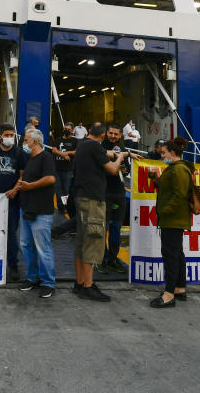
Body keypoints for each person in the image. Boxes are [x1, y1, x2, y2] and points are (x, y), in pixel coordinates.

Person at [72, 121, 127, 302]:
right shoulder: (95, 147)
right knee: (92, 243)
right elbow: (112, 169)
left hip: (81, 198)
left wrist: (116, 153)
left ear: (89, 131)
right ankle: (88, 286)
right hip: (93, 201)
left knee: (81, 243)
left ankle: (79, 282)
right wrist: (119, 159)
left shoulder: (83, 145)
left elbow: (106, 153)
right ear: (103, 135)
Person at [150, 136, 195, 308]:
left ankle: (169, 294)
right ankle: (179, 288)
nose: (162, 156)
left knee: (170, 255)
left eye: (164, 153)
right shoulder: (176, 168)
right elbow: (170, 188)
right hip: (173, 219)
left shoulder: (179, 170)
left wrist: (163, 211)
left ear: (173, 153)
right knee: (177, 254)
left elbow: (179, 195)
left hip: (173, 219)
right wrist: (156, 179)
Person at [0, 124, 27, 280]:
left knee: (11, 234)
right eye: (7, 134)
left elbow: (23, 175)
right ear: (0, 136)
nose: (10, 137)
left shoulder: (19, 153)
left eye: (11, 134)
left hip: (13, 200)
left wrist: (15, 189)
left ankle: (13, 264)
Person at [16, 128, 57, 298]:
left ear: (34, 141)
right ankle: (32, 277)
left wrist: (30, 186)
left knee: (42, 247)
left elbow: (51, 178)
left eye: (26, 140)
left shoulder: (45, 157)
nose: (24, 143)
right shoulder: (30, 158)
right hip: (27, 209)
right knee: (26, 245)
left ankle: (48, 282)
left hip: (41, 211)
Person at [99, 122, 136, 274]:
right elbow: (102, 169)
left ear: (121, 135)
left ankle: (113, 259)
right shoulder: (99, 148)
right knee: (102, 228)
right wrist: (115, 166)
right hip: (104, 193)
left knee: (116, 227)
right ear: (106, 133)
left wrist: (124, 169)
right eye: (111, 133)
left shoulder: (123, 150)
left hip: (119, 194)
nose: (113, 136)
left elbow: (126, 171)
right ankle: (100, 259)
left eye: (116, 134)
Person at [49, 122, 77, 212]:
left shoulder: (75, 141)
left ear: (72, 131)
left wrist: (67, 153)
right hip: (57, 168)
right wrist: (63, 155)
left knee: (66, 189)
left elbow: (76, 152)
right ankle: (60, 207)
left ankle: (66, 206)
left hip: (68, 169)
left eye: (68, 129)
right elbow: (54, 150)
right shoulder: (58, 140)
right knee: (58, 189)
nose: (66, 130)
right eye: (65, 129)